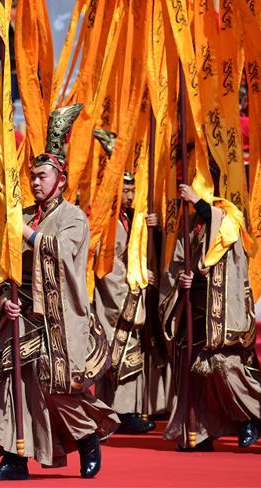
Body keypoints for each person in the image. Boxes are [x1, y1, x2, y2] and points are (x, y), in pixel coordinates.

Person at [0, 104, 119, 481]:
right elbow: (5, 266)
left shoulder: (73, 217)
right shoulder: (23, 215)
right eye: (32, 177)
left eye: (42, 176)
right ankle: (15, 458)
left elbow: (62, 253)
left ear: (60, 180)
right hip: (22, 316)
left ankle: (86, 437)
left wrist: (27, 234)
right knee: (10, 384)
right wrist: (6, 298)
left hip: (58, 317)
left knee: (57, 390)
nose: (35, 183)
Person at [159, 182, 261, 451]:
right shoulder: (189, 224)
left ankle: (253, 417)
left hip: (222, 314)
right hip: (193, 311)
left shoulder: (229, 218)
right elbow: (178, 263)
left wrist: (198, 202)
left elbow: (222, 241)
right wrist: (182, 278)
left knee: (227, 368)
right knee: (193, 376)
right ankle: (199, 433)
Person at [90, 129, 156, 434]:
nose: (130, 196)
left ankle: (119, 409)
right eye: (125, 191)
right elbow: (111, 266)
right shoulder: (110, 222)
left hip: (128, 293)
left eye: (132, 190)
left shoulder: (129, 219)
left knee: (124, 354)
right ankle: (121, 411)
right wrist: (135, 284)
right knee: (121, 353)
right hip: (117, 299)